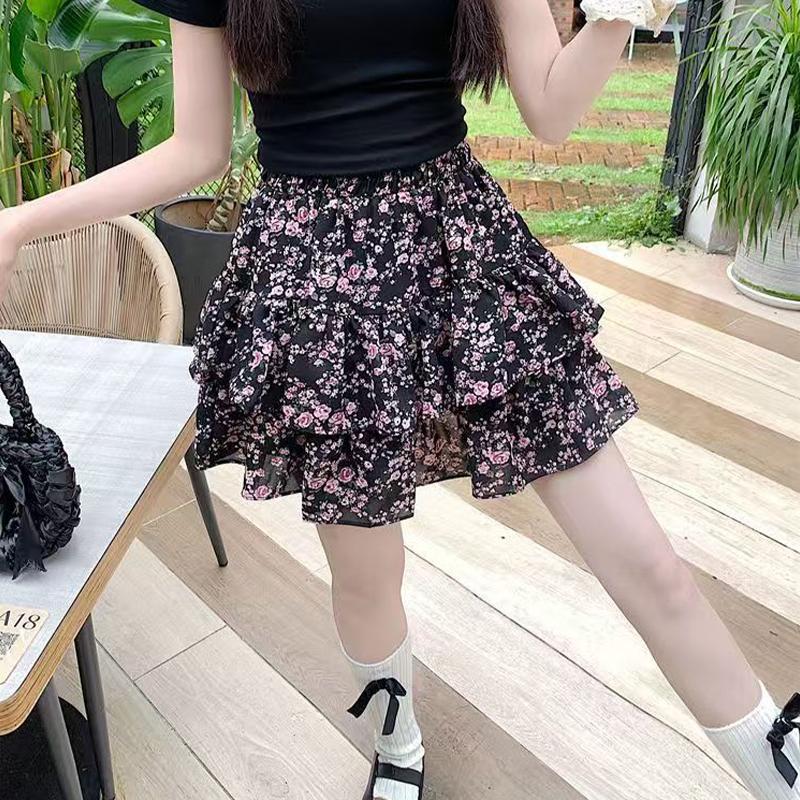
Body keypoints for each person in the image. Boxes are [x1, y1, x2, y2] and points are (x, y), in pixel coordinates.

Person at [0, 2, 796, 798]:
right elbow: (197, 149)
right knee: (366, 575)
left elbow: (551, 112)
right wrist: (22, 223)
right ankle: (397, 746)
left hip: (462, 256)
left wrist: (620, 17)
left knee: (647, 561)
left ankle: (778, 768)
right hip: (321, 289)